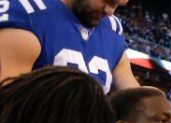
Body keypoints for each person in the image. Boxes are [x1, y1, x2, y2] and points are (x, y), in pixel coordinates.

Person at [0, 0, 139, 91]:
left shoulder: (111, 29)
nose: (110, 12)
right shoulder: (26, 12)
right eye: (108, 1)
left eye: (116, 5)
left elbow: (135, 101)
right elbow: (8, 104)